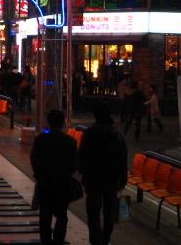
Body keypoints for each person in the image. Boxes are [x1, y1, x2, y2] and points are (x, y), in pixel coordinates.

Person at [79, 101, 128, 245]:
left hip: (93, 178)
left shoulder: (89, 134)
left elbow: (82, 155)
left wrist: (83, 172)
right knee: (109, 211)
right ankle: (106, 238)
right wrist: (123, 177)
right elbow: (123, 158)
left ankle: (95, 239)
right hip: (112, 178)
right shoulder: (118, 135)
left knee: (93, 211)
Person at [30, 110, 78, 245]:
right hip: (63, 184)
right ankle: (59, 239)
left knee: (45, 215)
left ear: (49, 122)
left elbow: (34, 160)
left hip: (45, 183)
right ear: (62, 123)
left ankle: (46, 240)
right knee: (62, 215)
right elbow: (74, 164)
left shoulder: (40, 140)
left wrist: (39, 175)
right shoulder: (70, 141)